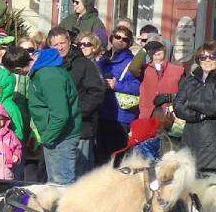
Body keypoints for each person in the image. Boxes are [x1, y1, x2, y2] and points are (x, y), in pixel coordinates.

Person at [4, 46, 84, 184]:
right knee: (54, 183)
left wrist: (47, 138)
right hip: (55, 135)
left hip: (61, 137)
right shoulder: (40, 71)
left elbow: (61, 115)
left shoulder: (48, 76)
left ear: (18, 69)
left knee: (62, 184)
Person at [174, 41, 216, 175]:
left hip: (214, 144)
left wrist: (190, 102)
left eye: (212, 57)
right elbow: (177, 106)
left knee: (209, 187)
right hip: (190, 139)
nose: (207, 60)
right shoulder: (190, 80)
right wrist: (198, 115)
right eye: (203, 57)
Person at [51, 27, 106, 157]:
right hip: (58, 129)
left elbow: (96, 92)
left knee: (81, 173)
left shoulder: (84, 64)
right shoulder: (51, 66)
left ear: (69, 42)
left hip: (81, 129)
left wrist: (76, 112)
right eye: (55, 45)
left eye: (62, 43)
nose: (60, 47)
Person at [98, 26, 140, 164]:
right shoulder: (103, 60)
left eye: (125, 39)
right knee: (102, 157)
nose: (120, 41)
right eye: (118, 37)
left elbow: (137, 87)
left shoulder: (131, 62)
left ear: (129, 43)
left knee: (117, 158)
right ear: (111, 38)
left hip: (121, 115)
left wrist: (116, 85)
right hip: (103, 112)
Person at [139, 39, 185, 122]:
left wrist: (169, 97)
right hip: (147, 118)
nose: (156, 51)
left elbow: (186, 94)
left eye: (159, 48)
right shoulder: (144, 69)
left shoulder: (178, 70)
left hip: (170, 119)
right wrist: (145, 49)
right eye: (152, 48)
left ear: (166, 49)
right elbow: (132, 68)